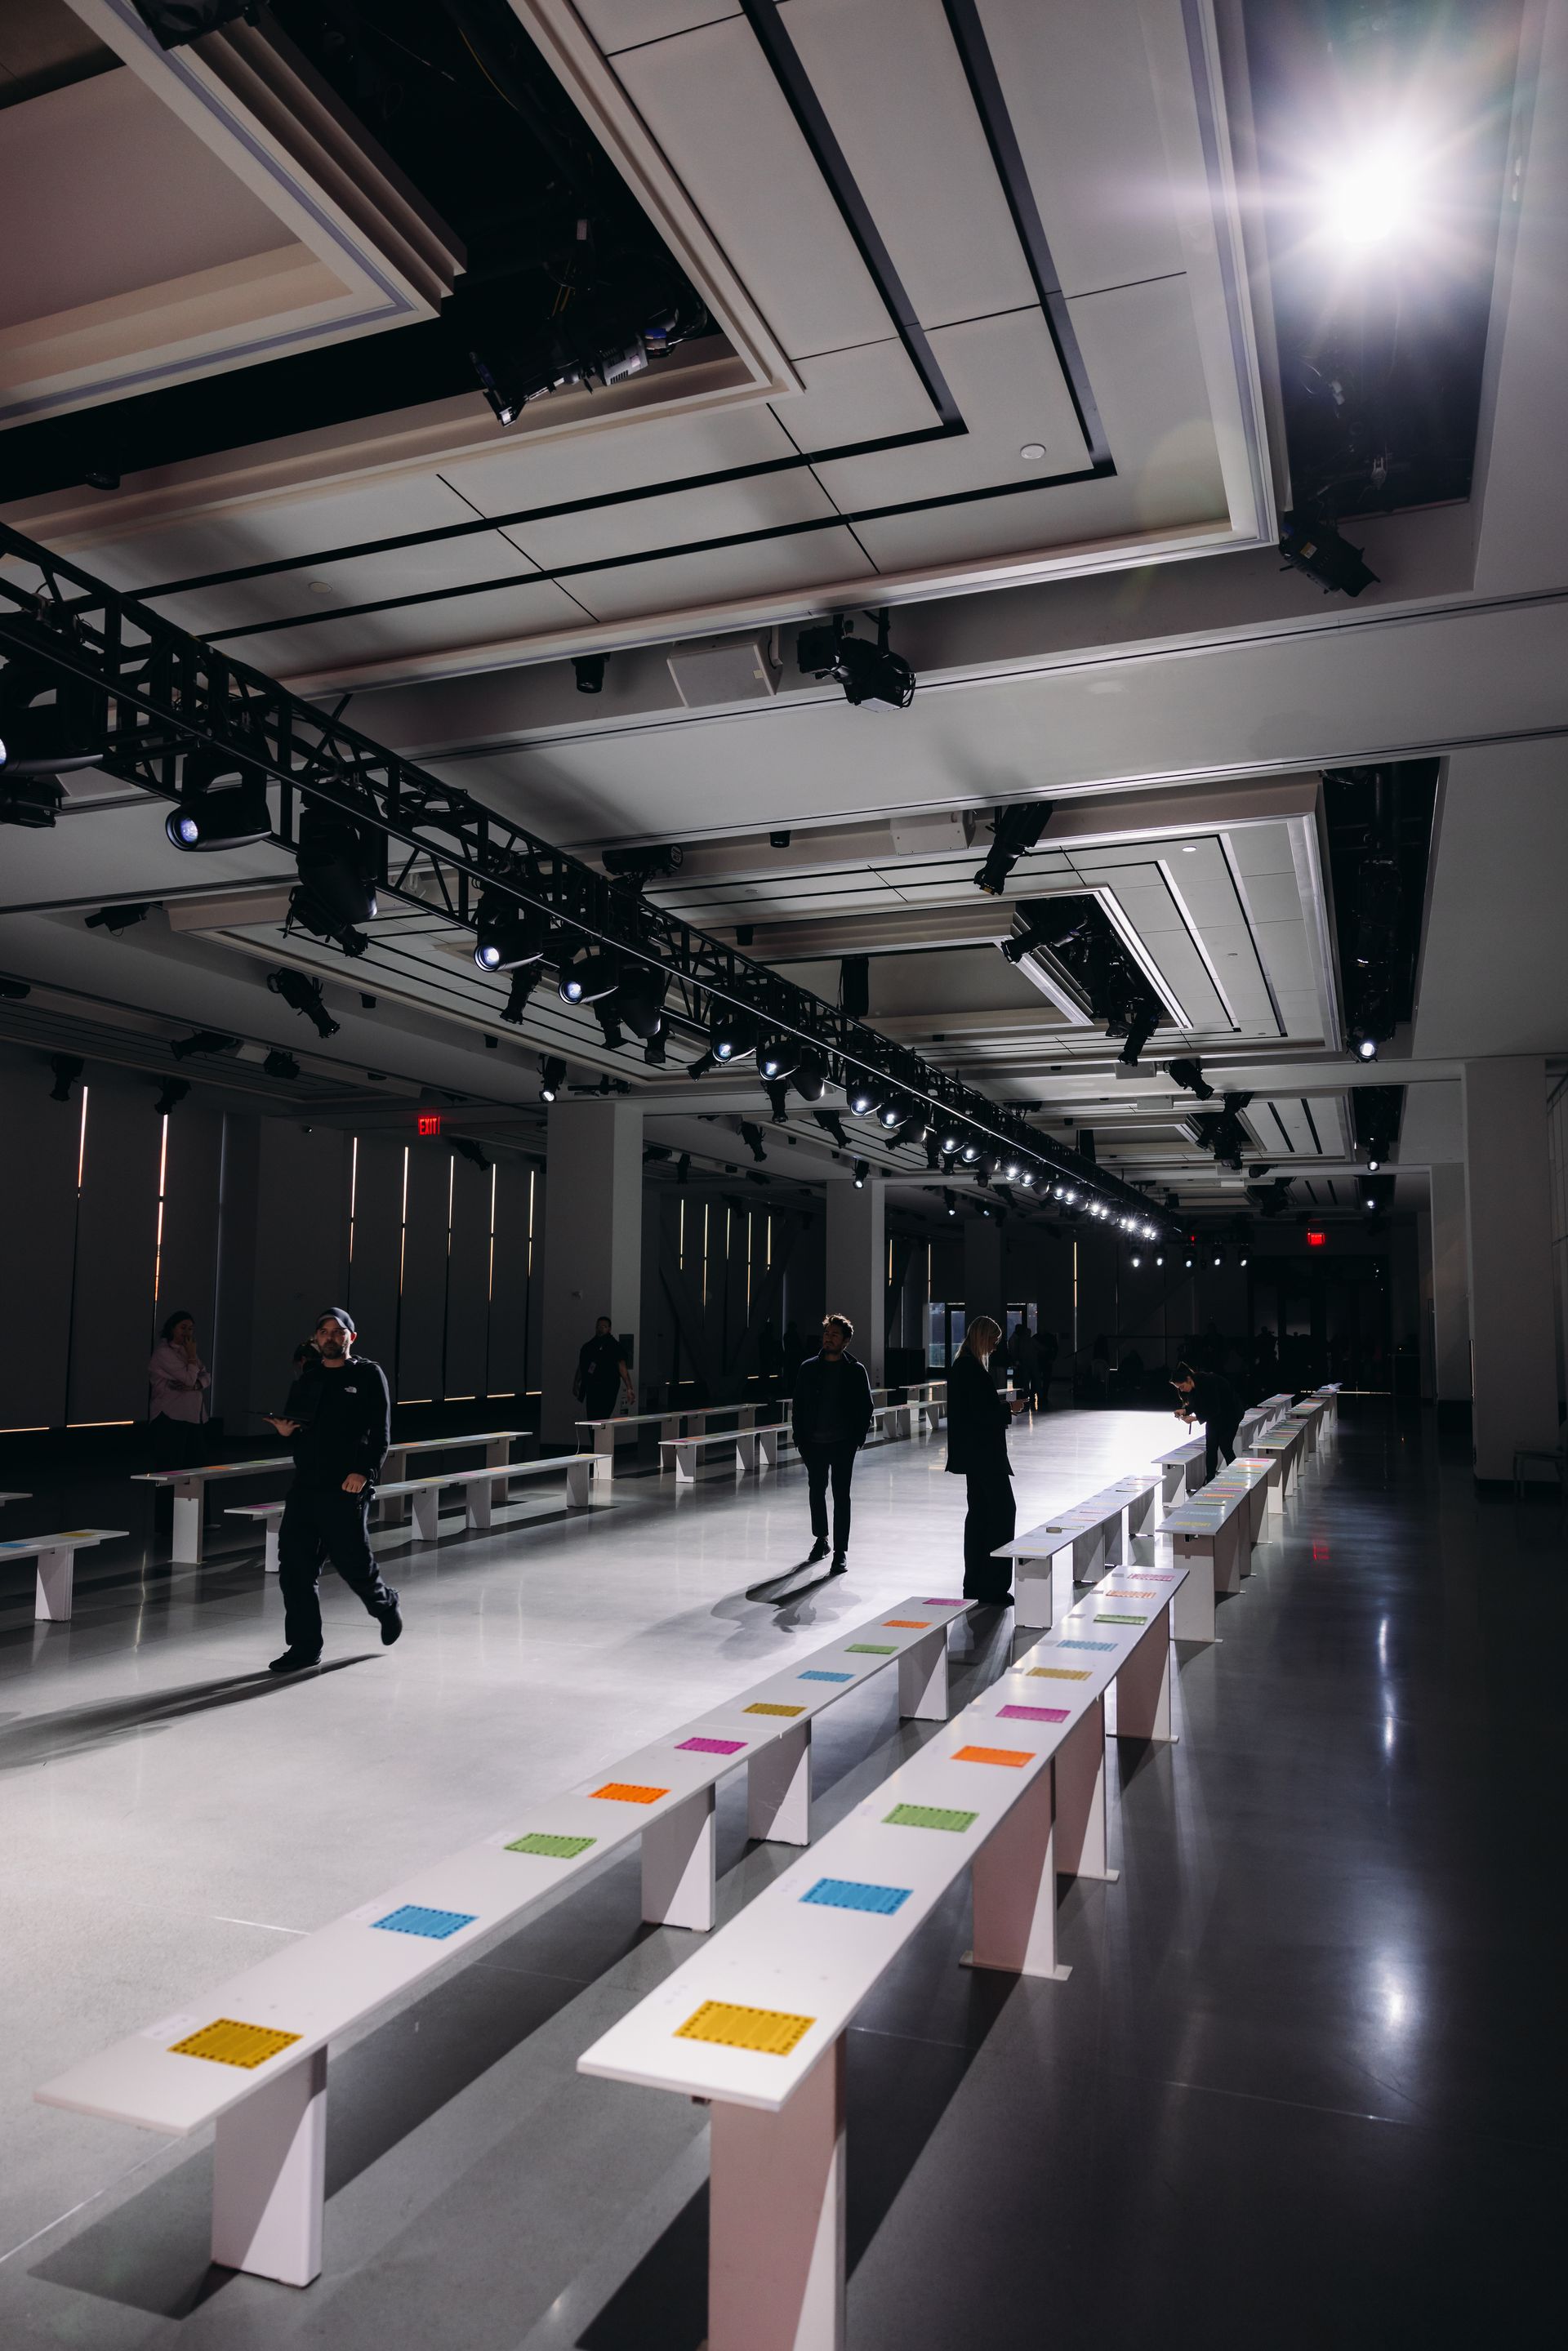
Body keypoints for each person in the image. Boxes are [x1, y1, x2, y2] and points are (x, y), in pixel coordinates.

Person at [264, 1308, 399, 1674]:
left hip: (346, 1486)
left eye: (337, 1331)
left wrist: (364, 1472)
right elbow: (300, 1425)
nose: (329, 1337)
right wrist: (286, 1431)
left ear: (350, 1337)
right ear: (316, 1339)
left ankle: (385, 1605)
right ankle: (305, 1647)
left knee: (353, 1565)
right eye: (322, 1332)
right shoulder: (308, 1377)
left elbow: (381, 1432)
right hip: (306, 1485)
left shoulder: (369, 1375)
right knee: (294, 1568)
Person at [947, 1315, 1029, 1603]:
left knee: (980, 1517)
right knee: (1002, 1514)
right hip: (984, 1454)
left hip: (974, 1454)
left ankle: (975, 1584)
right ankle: (993, 1586)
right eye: (993, 1340)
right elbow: (980, 1414)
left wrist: (1003, 1407)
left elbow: (975, 1408)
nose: (995, 1346)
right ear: (983, 1337)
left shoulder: (964, 1365)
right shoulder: (970, 1367)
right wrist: (1009, 1409)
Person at [790, 1313, 874, 1572]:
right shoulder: (808, 1368)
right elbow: (799, 1406)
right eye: (827, 1334)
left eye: (834, 1335)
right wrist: (800, 1439)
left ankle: (840, 1551)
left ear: (846, 1341)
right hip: (813, 1442)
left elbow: (865, 1408)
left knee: (841, 1496)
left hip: (842, 1443)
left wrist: (856, 1440)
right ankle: (821, 1539)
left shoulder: (855, 1371)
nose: (829, 1338)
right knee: (816, 1491)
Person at [147, 1310, 211, 1465]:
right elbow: (188, 1378)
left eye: (190, 1328)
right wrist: (191, 1358)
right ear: (172, 1328)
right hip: (171, 1416)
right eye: (183, 1327)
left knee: (196, 1466)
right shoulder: (164, 1353)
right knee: (172, 1466)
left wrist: (197, 1385)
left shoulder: (187, 1351)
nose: (187, 1332)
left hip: (193, 1416)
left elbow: (206, 1376)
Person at [1172, 1359, 1243, 1479]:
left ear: (1189, 1379)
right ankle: (1210, 1478)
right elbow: (1196, 1405)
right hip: (1215, 1416)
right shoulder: (1194, 1387)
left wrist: (1194, 1419)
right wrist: (1184, 1411)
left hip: (1231, 1414)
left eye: (1182, 1386)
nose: (1181, 1390)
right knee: (1211, 1445)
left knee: (1225, 1445)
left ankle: (1237, 1476)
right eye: (1179, 1388)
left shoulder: (1207, 1382)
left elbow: (1214, 1408)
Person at [573, 1316, 630, 1423]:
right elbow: (582, 1365)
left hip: (608, 1386)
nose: (600, 1329)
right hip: (592, 1387)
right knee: (592, 1417)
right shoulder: (588, 1347)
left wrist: (629, 1387)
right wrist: (576, 1382)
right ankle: (595, 1438)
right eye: (599, 1326)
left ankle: (601, 1437)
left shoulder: (614, 1346)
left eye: (604, 1327)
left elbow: (622, 1366)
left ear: (609, 1329)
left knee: (603, 1416)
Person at [1009, 1317, 1040, 1410]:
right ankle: (1034, 1396)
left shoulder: (1019, 1340)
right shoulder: (1029, 1341)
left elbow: (1016, 1352)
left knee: (1025, 1382)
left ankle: (1025, 1396)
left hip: (1025, 1365)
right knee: (1034, 1381)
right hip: (1030, 1365)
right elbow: (1040, 1348)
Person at [1036, 1327, 1058, 1409]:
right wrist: (1052, 1359)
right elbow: (1055, 1349)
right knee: (1046, 1380)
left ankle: (1041, 1395)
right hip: (1047, 1361)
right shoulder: (1051, 1338)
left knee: (1039, 1380)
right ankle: (1043, 1395)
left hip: (1040, 1362)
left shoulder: (1036, 1337)